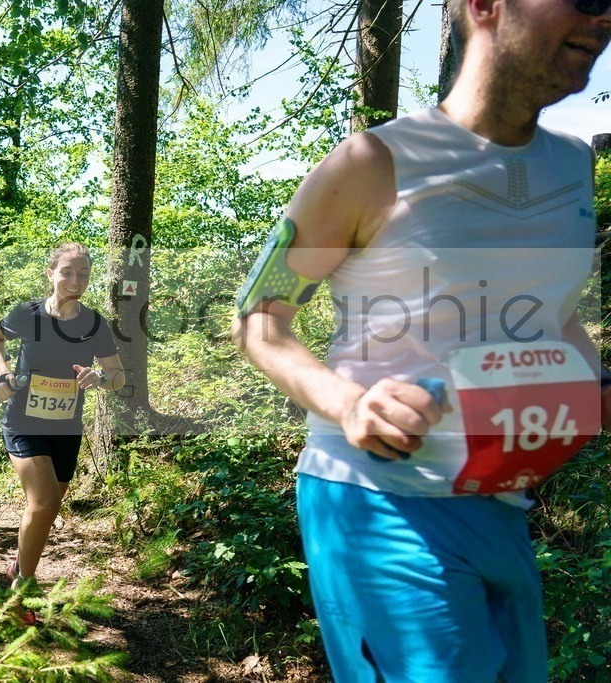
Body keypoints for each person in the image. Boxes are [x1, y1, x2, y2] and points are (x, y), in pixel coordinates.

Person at [233, 0, 611, 680]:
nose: (604, 17)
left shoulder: (573, 165)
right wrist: (350, 404)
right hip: (380, 502)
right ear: (484, 6)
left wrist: (595, 383)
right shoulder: (368, 163)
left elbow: (555, 317)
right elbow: (259, 318)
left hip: (502, 501)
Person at [0, 243, 126, 617]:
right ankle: (20, 593)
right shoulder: (28, 314)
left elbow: (118, 376)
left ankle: (18, 565)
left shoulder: (94, 324)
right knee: (45, 502)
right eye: (67, 272)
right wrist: (3, 373)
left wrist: (101, 377)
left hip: (66, 427)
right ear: (51, 273)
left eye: (83, 273)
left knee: (49, 507)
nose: (75, 280)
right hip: (23, 422)